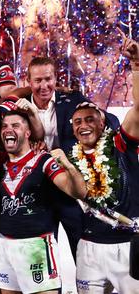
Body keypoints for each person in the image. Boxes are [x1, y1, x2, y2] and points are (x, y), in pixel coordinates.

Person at [61, 37, 139, 293]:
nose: (84, 125)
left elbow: (138, 110)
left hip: (127, 244)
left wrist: (136, 65)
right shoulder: (70, 157)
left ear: (103, 124)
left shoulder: (120, 144)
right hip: (89, 246)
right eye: (78, 122)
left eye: (90, 120)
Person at [24, 56, 120, 260]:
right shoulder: (20, 109)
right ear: (28, 81)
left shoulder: (73, 100)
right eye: (38, 80)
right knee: (42, 259)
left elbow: (112, 122)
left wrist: (97, 117)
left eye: (48, 79)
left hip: (70, 190)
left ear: (55, 78)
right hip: (37, 193)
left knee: (83, 254)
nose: (44, 86)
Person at [0, 110, 87, 294]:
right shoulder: (1, 166)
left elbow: (77, 191)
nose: (8, 130)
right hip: (5, 245)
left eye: (15, 126)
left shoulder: (43, 160)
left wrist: (68, 165)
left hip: (36, 247)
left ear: (28, 133)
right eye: (5, 126)